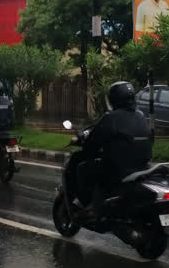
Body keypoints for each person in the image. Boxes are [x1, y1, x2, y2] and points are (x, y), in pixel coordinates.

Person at [64, 81, 153, 216]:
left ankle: (84, 204)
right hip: (142, 165)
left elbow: (93, 142)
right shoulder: (140, 115)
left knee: (82, 167)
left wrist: (84, 144)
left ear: (114, 99)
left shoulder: (111, 118)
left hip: (118, 167)